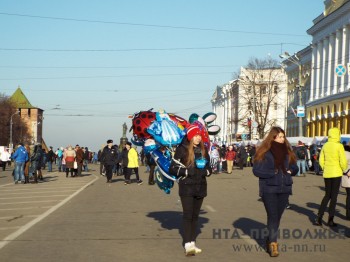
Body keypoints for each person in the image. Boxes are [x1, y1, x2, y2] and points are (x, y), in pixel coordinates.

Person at [252, 127, 298, 257]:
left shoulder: (288, 151)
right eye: (279, 137)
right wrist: (272, 173)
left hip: (285, 188)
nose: (282, 139)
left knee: (277, 217)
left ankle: (269, 239)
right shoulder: (264, 152)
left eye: (283, 137)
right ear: (273, 137)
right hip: (269, 188)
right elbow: (256, 171)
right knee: (273, 216)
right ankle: (273, 244)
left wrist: (292, 171)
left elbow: (294, 166)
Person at [169, 124, 212, 256]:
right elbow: (173, 168)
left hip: (200, 187)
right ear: (190, 136)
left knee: (195, 216)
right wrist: (187, 171)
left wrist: (206, 171)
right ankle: (187, 244)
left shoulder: (203, 150)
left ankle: (193, 242)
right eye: (196, 135)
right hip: (186, 187)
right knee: (188, 215)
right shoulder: (182, 150)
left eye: (200, 135)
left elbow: (210, 168)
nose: (198, 138)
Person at [314, 127, 348, 227]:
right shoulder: (339, 146)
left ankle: (319, 218)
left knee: (327, 195)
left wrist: (325, 168)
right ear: (338, 134)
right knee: (334, 197)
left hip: (327, 173)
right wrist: (344, 169)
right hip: (336, 173)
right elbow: (343, 160)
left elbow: (320, 160)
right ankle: (330, 220)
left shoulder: (325, 145)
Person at [343, 144, 350, 220]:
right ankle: (348, 214)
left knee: (348, 195)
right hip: (348, 175)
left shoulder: (342, 154)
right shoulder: (348, 154)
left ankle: (347, 214)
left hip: (345, 177)